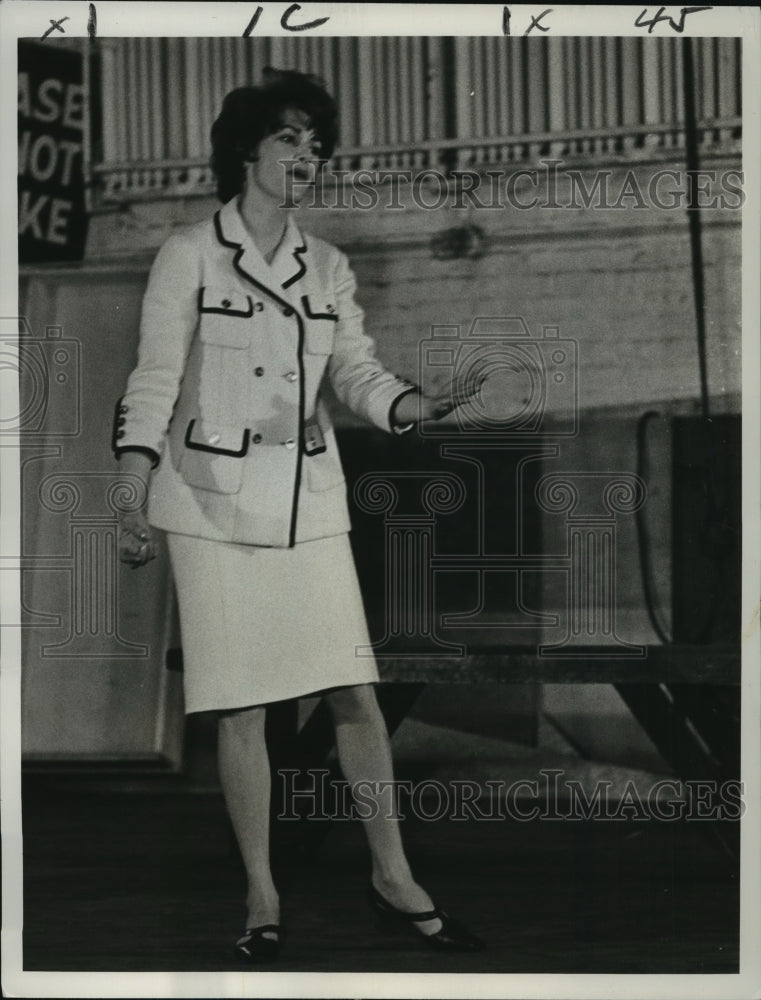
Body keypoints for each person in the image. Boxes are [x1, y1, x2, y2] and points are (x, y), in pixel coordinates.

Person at [114, 68, 484, 963]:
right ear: (247, 150)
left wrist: (413, 405)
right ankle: (261, 894)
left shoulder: (327, 265)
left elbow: (352, 371)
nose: (307, 157)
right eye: (290, 139)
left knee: (354, 695)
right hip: (209, 506)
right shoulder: (188, 254)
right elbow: (156, 377)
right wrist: (130, 489)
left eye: (317, 144)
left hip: (310, 506)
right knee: (241, 710)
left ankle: (392, 878)